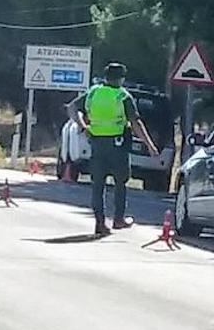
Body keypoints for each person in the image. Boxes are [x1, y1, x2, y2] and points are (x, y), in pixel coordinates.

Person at [68, 63, 159, 236]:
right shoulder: (122, 96)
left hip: (96, 144)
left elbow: (73, 108)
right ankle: (118, 219)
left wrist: (83, 126)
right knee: (120, 183)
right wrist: (150, 145)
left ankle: (100, 223)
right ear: (121, 78)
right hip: (117, 146)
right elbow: (135, 122)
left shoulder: (93, 92)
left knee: (98, 185)